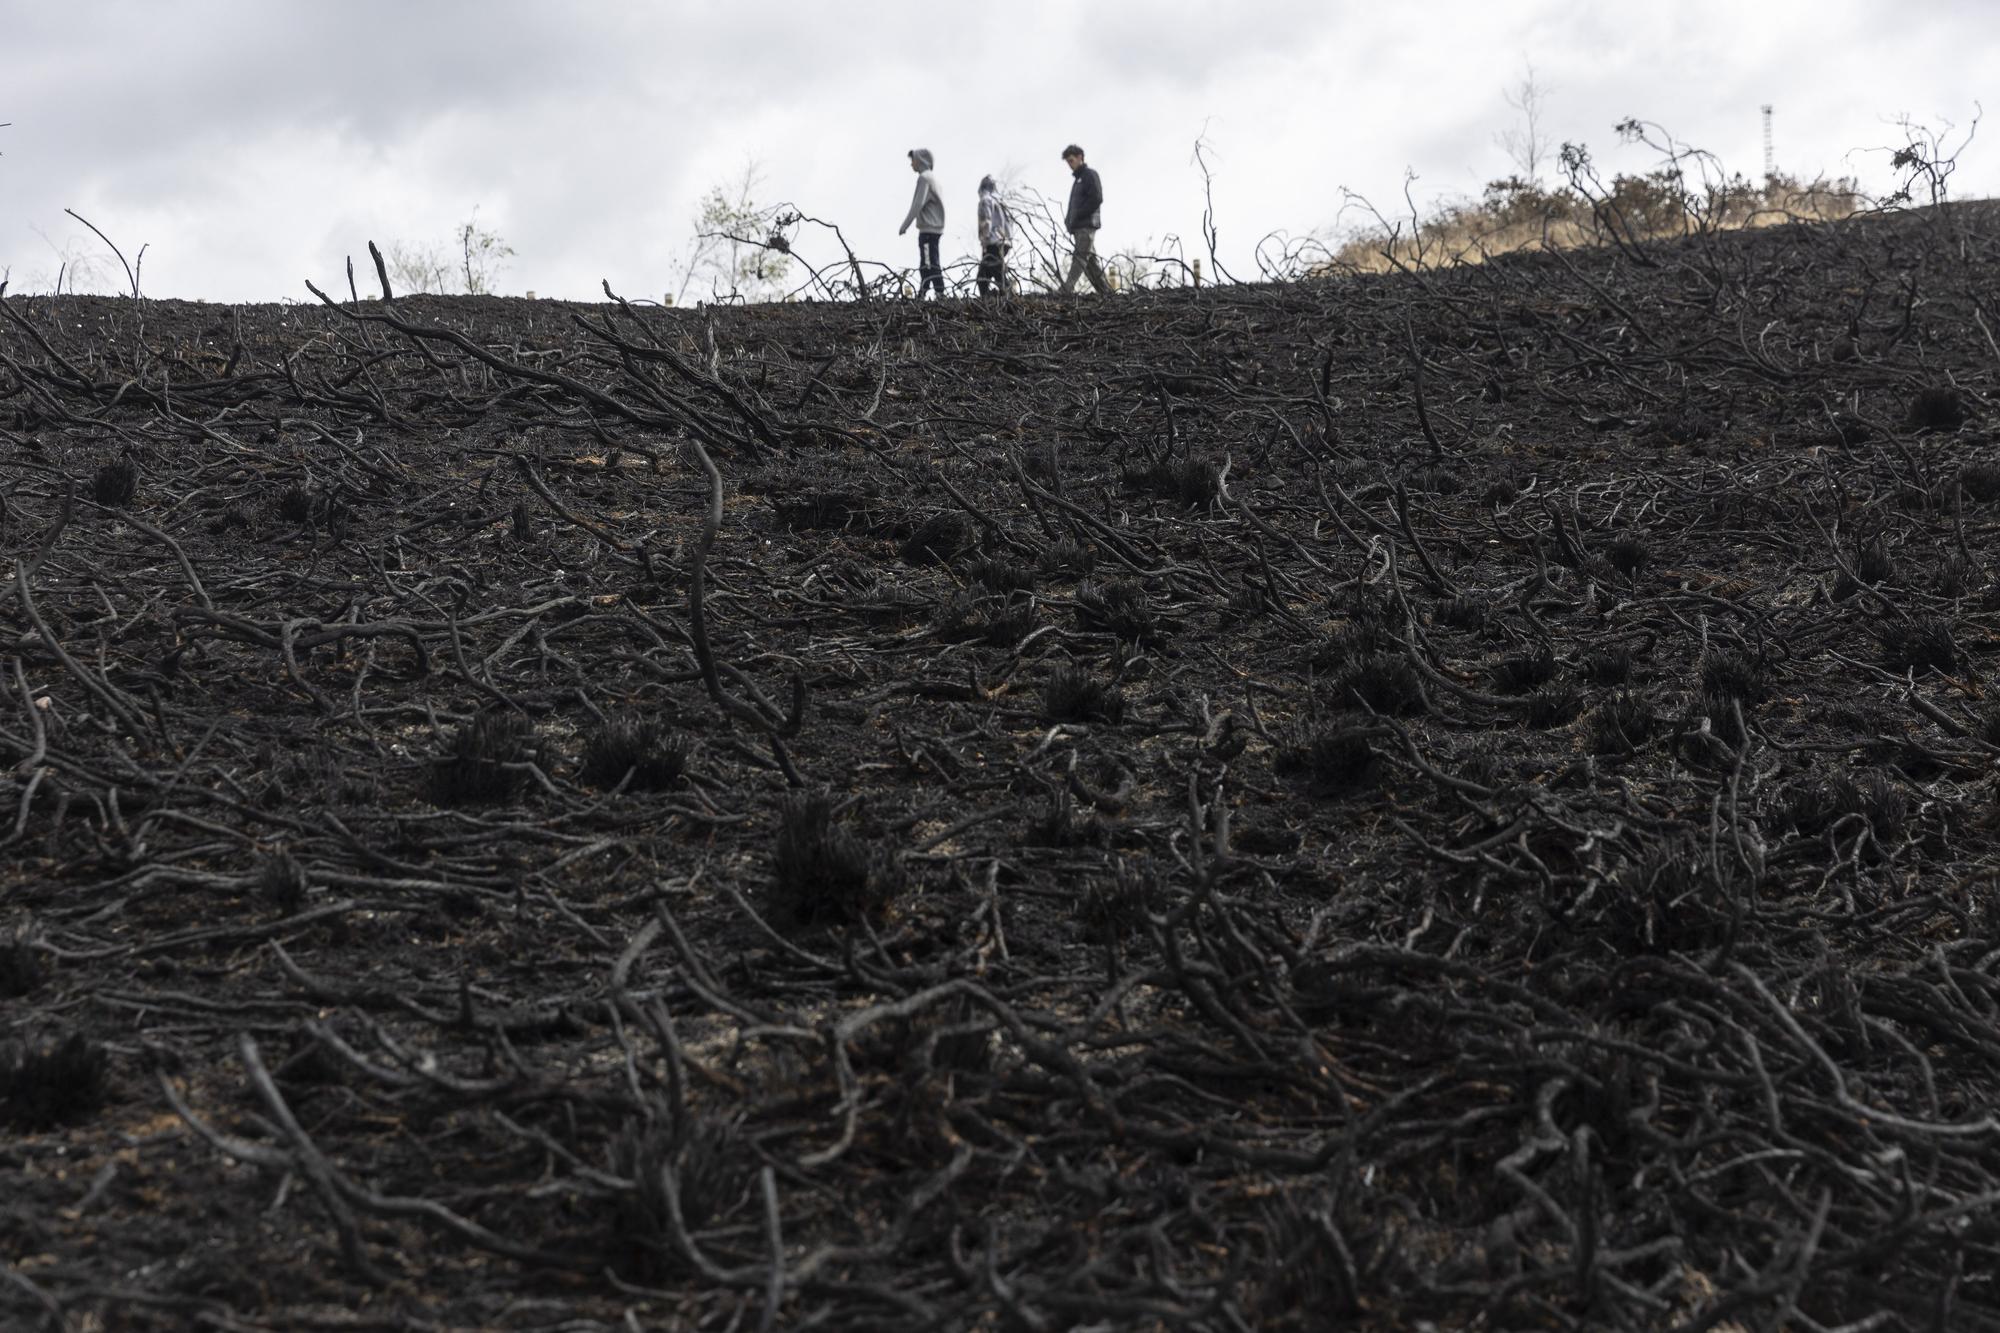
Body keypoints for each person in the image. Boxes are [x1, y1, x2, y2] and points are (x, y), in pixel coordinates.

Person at [1058, 144, 1109, 296]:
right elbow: (1072, 205)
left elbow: (1097, 198)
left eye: (1071, 160)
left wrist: (1079, 215)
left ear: (1080, 157)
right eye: (1068, 162)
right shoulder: (1078, 180)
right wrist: (1069, 221)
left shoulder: (1089, 175)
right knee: (1090, 264)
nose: (1070, 164)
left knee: (1080, 257)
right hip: (1078, 227)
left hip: (1087, 225)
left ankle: (1066, 289)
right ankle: (1106, 293)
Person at [898, 148, 946, 298]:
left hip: (928, 230)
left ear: (920, 161)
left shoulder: (924, 178)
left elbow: (917, 205)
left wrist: (905, 225)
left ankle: (929, 294)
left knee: (928, 263)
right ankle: (932, 293)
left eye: (913, 160)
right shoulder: (934, 179)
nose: (911, 164)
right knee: (932, 261)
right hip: (935, 228)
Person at [976, 175, 1010, 296]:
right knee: (992, 274)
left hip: (993, 243)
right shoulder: (1000, 202)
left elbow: (986, 221)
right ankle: (1000, 300)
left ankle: (1001, 301)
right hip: (1004, 242)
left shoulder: (986, 200)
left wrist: (984, 241)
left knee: (984, 279)